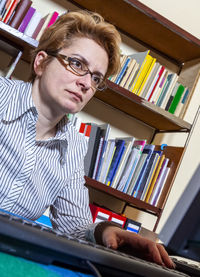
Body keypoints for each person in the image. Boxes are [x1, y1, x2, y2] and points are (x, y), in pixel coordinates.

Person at [0, 10, 174, 269]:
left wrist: (106, 231)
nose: (85, 83)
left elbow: (74, 225)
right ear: (40, 63)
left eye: (95, 78)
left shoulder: (74, 145)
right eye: (77, 64)